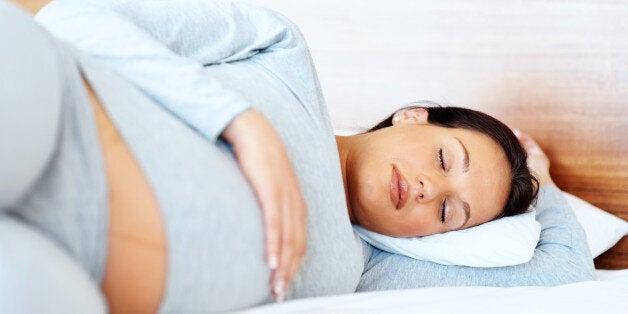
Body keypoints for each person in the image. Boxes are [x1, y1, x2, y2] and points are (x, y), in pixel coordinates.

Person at [1, 1, 594, 313]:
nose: (426, 191)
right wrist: (239, 123)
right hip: (54, 126)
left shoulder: (364, 273)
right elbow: (74, 17)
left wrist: (544, 185)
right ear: (415, 114)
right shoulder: (278, 52)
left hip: (74, 283)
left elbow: (563, 276)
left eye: (447, 214)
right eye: (443, 159)